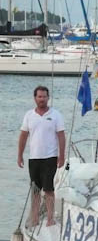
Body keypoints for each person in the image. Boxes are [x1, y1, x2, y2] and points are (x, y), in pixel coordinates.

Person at [17, 86, 65, 227]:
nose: (42, 99)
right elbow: (23, 136)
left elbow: (61, 136)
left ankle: (50, 218)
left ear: (48, 98)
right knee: (35, 190)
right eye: (39, 97)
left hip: (50, 157)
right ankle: (35, 218)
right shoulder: (29, 115)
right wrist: (20, 155)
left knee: (49, 189)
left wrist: (62, 156)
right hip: (34, 158)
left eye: (44, 96)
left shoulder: (55, 115)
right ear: (35, 98)